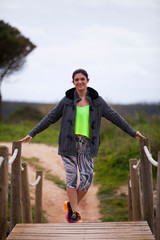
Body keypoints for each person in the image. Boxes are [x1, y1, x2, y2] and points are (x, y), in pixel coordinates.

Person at [20, 69, 144, 223]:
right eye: (76, 79)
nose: (80, 82)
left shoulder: (98, 102)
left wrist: (132, 132)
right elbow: (50, 117)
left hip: (87, 145)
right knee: (71, 179)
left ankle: (71, 206)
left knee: (86, 180)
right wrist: (32, 133)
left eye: (82, 79)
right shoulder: (66, 101)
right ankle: (74, 214)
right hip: (68, 144)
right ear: (73, 82)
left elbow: (115, 117)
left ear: (87, 80)